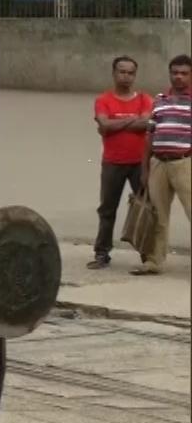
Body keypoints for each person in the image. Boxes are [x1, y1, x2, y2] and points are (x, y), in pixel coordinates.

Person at [89, 56, 153, 268]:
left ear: (135, 75)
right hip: (112, 163)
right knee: (107, 209)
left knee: (145, 208)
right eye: (122, 72)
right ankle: (102, 253)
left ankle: (148, 254)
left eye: (130, 73)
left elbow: (146, 123)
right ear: (114, 73)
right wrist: (131, 122)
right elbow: (104, 124)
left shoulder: (145, 99)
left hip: (140, 163)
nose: (126, 76)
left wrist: (114, 123)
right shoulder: (103, 100)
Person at [134, 54, 192, 275]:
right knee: (157, 214)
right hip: (158, 163)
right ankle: (154, 261)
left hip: (184, 163)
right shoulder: (159, 100)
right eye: (175, 72)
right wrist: (145, 168)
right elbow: (149, 136)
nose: (179, 77)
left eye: (184, 73)